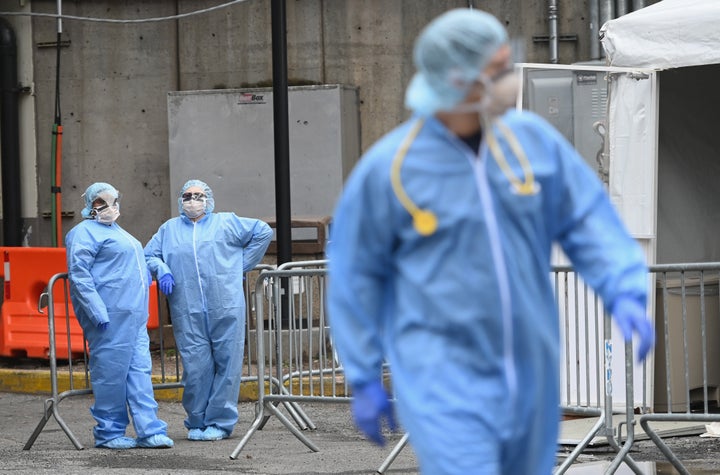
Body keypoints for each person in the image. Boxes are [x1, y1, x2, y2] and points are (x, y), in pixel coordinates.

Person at [326, 8, 655, 475]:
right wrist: (361, 373)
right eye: (499, 71)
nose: (511, 80)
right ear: (459, 80)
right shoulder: (390, 172)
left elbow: (588, 221)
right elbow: (354, 276)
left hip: (531, 370)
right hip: (441, 375)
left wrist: (623, 288)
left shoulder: (532, 144)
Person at [144, 179, 273, 441]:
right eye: (187, 195)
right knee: (196, 367)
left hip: (225, 304)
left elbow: (263, 231)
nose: (193, 200)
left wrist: (241, 265)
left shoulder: (226, 222)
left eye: (199, 195)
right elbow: (148, 255)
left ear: (209, 199)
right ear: (181, 200)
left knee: (228, 365)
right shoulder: (169, 230)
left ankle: (220, 423)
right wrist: (162, 268)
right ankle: (196, 420)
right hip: (187, 307)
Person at [65, 182, 174, 450]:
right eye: (101, 202)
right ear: (90, 205)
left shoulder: (119, 232)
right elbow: (79, 276)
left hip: (133, 317)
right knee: (111, 376)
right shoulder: (83, 233)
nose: (109, 206)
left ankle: (149, 430)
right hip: (109, 317)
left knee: (139, 373)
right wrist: (97, 311)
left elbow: (136, 261)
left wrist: (159, 267)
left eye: (113, 200)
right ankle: (109, 431)